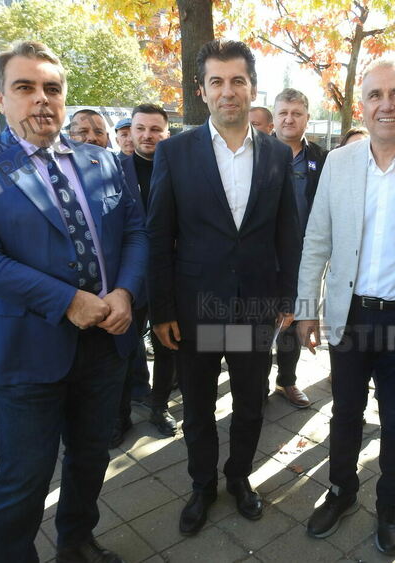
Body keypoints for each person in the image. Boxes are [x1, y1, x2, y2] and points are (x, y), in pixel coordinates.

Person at [0, 41, 147, 562]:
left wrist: (125, 290)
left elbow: (135, 232)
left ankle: (76, 544)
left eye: (52, 88)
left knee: (90, 458)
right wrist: (66, 301)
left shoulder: (102, 160)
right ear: (1, 98)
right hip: (26, 349)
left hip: (104, 344)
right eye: (25, 87)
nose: (42, 99)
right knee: (24, 476)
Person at [295, 59, 395, 555]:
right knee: (345, 412)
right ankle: (341, 491)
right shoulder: (339, 163)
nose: (386, 104)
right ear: (361, 106)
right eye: (375, 95)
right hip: (351, 315)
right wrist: (306, 307)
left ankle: (390, 504)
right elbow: (317, 239)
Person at [147, 39, 301, 536]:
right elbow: (158, 235)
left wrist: (287, 297)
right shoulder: (174, 152)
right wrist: (161, 309)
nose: (228, 91)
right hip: (196, 311)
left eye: (238, 81)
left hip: (255, 309)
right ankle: (201, 485)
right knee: (197, 407)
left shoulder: (276, 154)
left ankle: (239, 477)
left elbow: (287, 232)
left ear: (252, 88)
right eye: (217, 81)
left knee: (251, 403)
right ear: (202, 90)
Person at [112, 103, 177, 445]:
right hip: (129, 276)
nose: (147, 135)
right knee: (124, 348)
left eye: (155, 130)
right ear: (131, 132)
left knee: (169, 345)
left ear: (166, 133)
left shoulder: (180, 168)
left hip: (171, 274)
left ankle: (159, 406)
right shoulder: (114, 170)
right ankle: (119, 415)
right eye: (140, 128)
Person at [268, 88, 328, 408]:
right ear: (274, 117)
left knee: (294, 319)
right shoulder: (255, 152)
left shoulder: (322, 158)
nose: (289, 119)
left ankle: (286, 381)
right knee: (260, 320)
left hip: (304, 257)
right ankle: (253, 383)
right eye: (283, 113)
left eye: (296, 113)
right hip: (263, 256)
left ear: (307, 118)